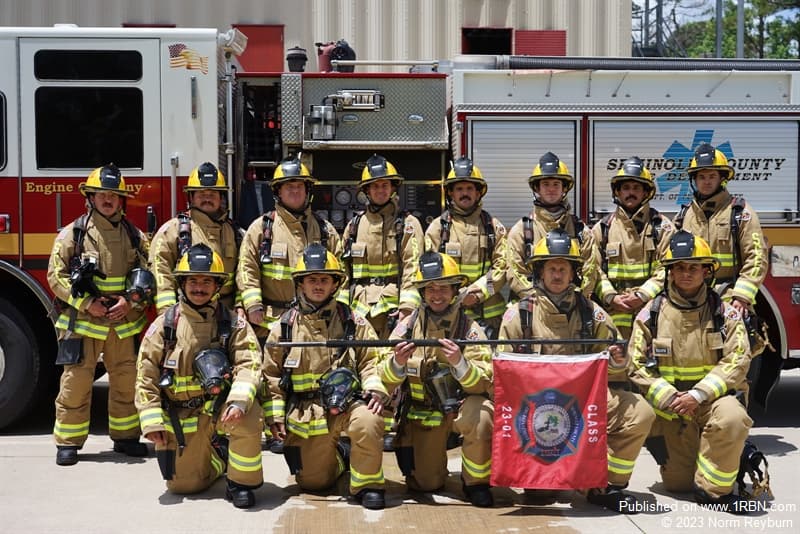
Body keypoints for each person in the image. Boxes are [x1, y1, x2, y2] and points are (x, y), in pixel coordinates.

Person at [498, 229, 654, 513]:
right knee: (540, 491)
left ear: (573, 274)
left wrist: (619, 359)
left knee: (640, 412)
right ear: (540, 274)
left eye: (563, 269)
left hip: (582, 407)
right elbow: (503, 376)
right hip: (535, 411)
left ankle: (603, 484)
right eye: (551, 269)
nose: (557, 275)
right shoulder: (518, 315)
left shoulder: (592, 314)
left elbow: (619, 369)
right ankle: (533, 476)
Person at [628, 230, 753, 515]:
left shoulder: (725, 313)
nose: (687, 273)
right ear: (670, 272)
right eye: (680, 267)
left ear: (707, 271)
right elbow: (636, 364)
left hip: (711, 402)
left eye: (694, 267)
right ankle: (714, 459)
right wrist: (671, 397)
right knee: (678, 485)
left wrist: (699, 394)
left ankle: (716, 493)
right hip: (673, 410)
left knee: (733, 418)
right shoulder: (651, 314)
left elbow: (738, 359)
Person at [135, 244, 264, 509]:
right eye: (192, 280)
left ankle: (240, 483)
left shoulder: (232, 323)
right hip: (181, 415)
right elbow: (145, 374)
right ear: (182, 283)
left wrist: (238, 402)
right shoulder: (165, 326)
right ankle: (219, 454)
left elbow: (250, 363)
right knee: (183, 486)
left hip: (221, 409)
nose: (199, 287)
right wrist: (151, 422)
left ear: (217, 286)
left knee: (250, 414)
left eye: (207, 281)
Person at [262, 244, 389, 510]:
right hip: (306, 411)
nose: (318, 285)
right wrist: (275, 418)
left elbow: (371, 363)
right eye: (312, 280)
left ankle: (367, 486)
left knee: (368, 418)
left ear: (334, 284)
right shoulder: (284, 328)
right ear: (301, 284)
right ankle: (342, 455)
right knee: (315, 484)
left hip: (347, 406)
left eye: (324, 279)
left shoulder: (354, 321)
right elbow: (271, 376)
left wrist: (375, 390)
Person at [47, 164, 151, 466]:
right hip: (84, 323)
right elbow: (57, 276)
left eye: (114, 195)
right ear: (90, 198)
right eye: (102, 194)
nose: (108, 199)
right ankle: (68, 442)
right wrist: (86, 303)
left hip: (122, 321)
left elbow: (149, 275)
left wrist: (130, 303)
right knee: (76, 382)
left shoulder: (135, 236)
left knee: (126, 381)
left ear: (121, 201)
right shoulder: (73, 235)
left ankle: (126, 437)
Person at [384, 251, 494, 507]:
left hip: (460, 410)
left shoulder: (469, 328)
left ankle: (476, 483)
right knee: (425, 485)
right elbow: (382, 373)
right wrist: (397, 362)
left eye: (444, 288)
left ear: (455, 290)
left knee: (483, 413)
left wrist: (460, 362)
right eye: (430, 288)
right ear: (421, 292)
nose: (437, 294)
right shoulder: (407, 327)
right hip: (422, 414)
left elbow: (484, 381)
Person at [237, 156, 341, 340]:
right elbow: (247, 268)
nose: (295, 191)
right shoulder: (261, 228)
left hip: (314, 323)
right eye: (289, 187)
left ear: (307, 190)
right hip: (270, 323)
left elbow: (341, 273)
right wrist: (253, 305)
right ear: (278, 192)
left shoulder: (326, 230)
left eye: (299, 186)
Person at [674, 142, 768, 343]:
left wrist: (741, 296)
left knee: (735, 354)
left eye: (712, 176)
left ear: (722, 178)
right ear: (694, 180)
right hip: (691, 297)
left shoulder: (740, 213)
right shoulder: (683, 216)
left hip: (728, 295)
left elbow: (757, 257)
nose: (706, 182)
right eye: (701, 176)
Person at [340, 154, 424, 339]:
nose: (380, 190)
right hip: (360, 310)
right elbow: (343, 270)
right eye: (375, 186)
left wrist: (407, 308)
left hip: (393, 311)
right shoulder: (354, 226)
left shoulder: (408, 224)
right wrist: (341, 308)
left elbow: (413, 266)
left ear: (393, 188)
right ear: (366, 190)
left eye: (385, 185)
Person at [425, 156, 508, 338]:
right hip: (451, 314)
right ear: (451, 193)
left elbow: (503, 267)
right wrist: (458, 296)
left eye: (470, 188)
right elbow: (430, 273)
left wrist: (479, 294)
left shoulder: (493, 227)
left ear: (478, 193)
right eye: (459, 189)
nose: (465, 193)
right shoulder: (438, 228)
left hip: (491, 316)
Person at [592, 157, 674, 339]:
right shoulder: (603, 229)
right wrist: (610, 297)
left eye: (637, 188)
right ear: (618, 192)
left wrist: (643, 295)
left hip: (652, 311)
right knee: (615, 363)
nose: (631, 193)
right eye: (626, 188)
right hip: (613, 311)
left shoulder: (662, 227)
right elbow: (593, 269)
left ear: (646, 192)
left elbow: (669, 268)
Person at [506, 152, 600, 301]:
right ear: (537, 188)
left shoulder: (580, 230)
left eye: (556, 184)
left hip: (572, 308)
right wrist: (539, 299)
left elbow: (591, 269)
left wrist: (573, 299)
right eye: (546, 184)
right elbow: (515, 271)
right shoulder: (521, 231)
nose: (551, 189)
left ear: (564, 188)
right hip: (532, 308)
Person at [150, 162, 242, 314]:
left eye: (212, 194)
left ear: (221, 198)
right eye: (201, 194)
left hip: (225, 314)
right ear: (191, 197)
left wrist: (240, 305)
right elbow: (160, 271)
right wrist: (168, 313)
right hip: (186, 313)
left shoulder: (235, 232)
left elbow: (243, 273)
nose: (207, 198)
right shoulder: (172, 231)